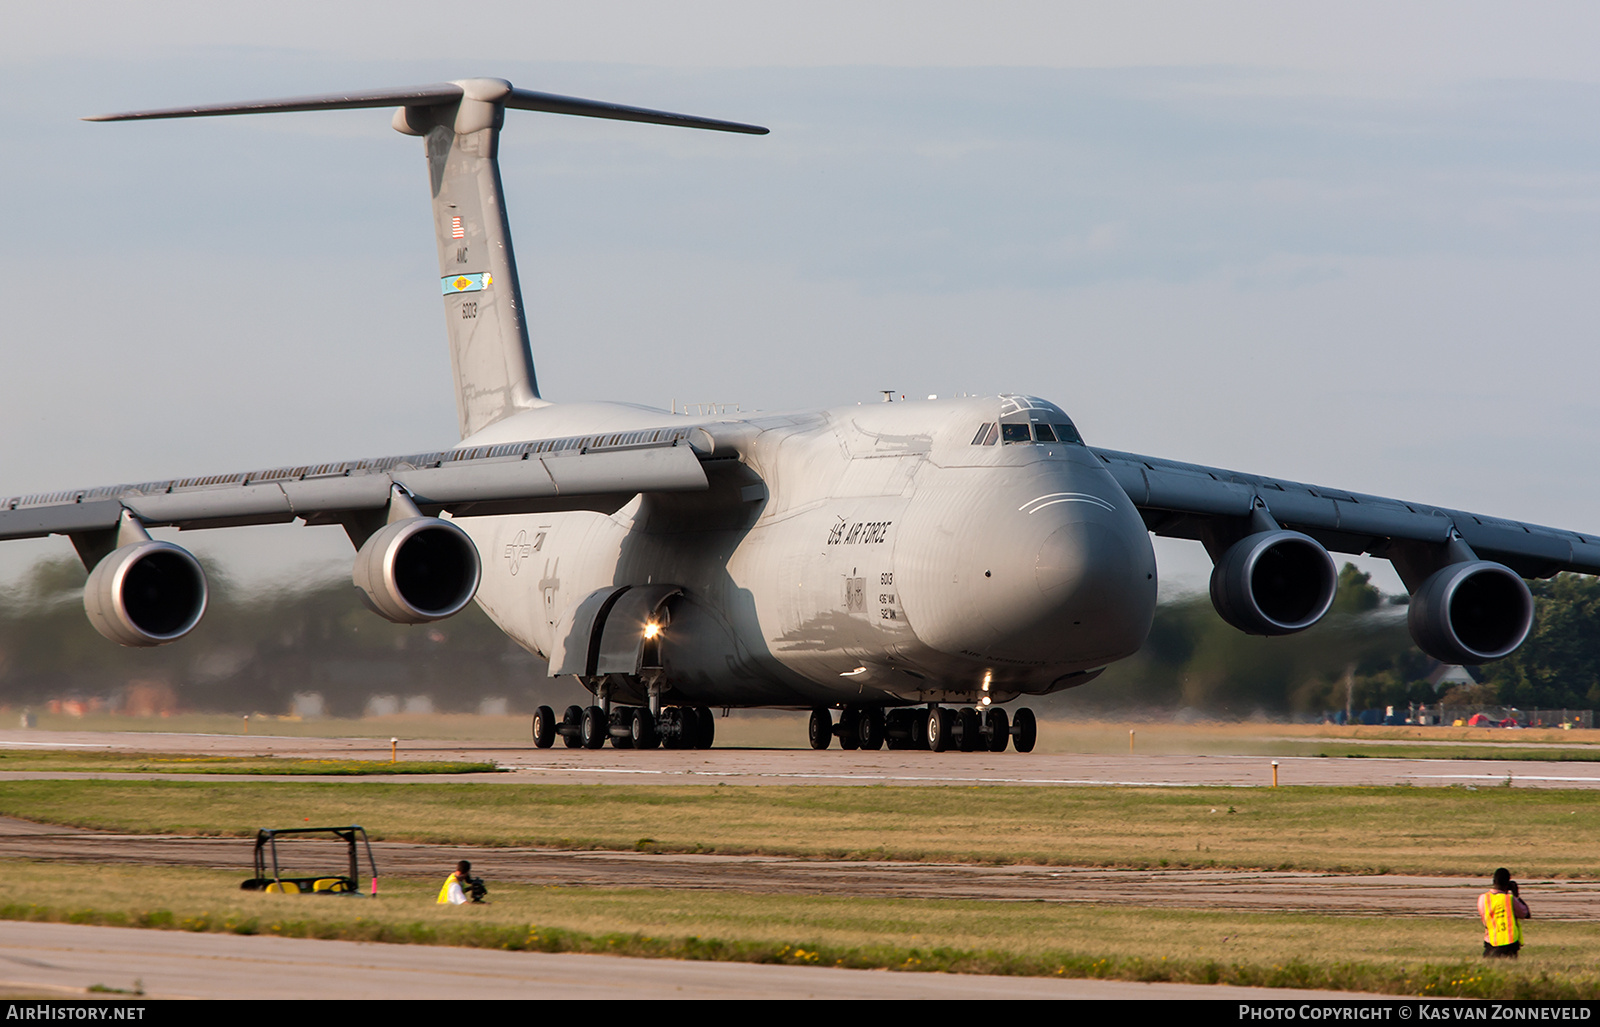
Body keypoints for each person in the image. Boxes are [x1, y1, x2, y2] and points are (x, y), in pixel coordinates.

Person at [1479, 867, 1530, 958]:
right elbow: (1526, 913)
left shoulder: (1483, 898)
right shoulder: (1509, 900)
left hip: (1490, 941)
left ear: (1494, 881)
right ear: (1508, 884)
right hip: (1509, 943)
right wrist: (1516, 895)